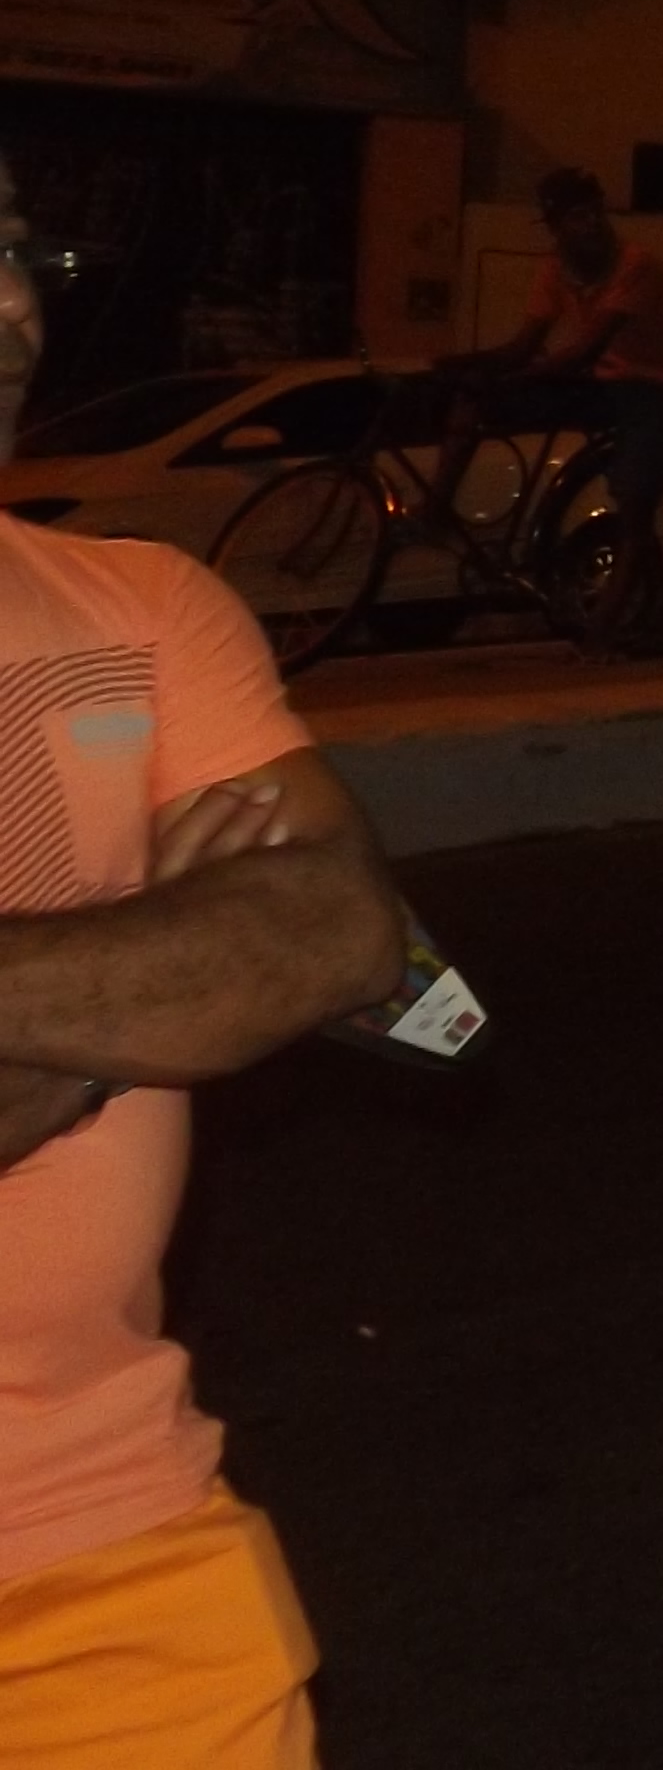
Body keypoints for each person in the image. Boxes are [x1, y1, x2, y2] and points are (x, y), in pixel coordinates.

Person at [1, 150, 414, 1760]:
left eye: (19, 253)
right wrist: (150, 977)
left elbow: (337, 931)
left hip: (109, 1547)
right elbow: (241, 958)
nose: (13, 308)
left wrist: (77, 1044)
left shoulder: (143, 603)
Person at [459, 166, 663, 654]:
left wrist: (525, 374)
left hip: (652, 389)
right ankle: (437, 511)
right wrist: (465, 365)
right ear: (556, 227)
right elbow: (525, 345)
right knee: (468, 402)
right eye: (576, 217)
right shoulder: (556, 269)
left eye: (594, 213)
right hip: (600, 384)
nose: (590, 225)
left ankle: (601, 633)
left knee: (635, 511)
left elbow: (587, 348)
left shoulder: (635, 264)